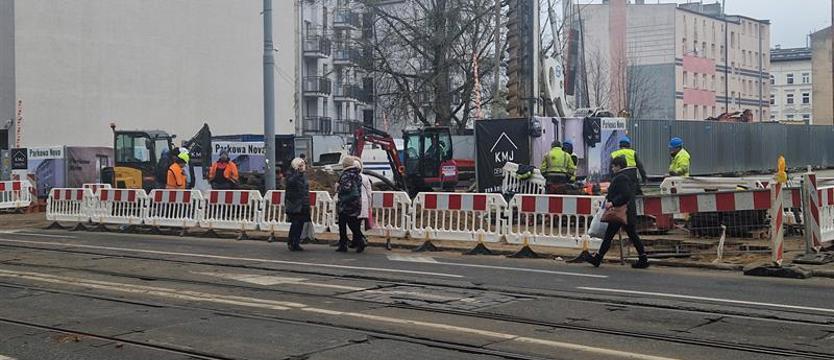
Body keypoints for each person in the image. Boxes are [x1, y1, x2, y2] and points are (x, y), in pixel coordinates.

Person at [588, 156, 649, 269]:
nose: (612, 168)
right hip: (625, 211)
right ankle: (643, 258)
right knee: (629, 235)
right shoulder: (628, 176)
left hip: (620, 211)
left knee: (612, 236)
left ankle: (598, 258)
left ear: (618, 166)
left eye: (613, 166)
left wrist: (613, 203)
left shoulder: (621, 178)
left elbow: (625, 194)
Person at [336, 156, 366, 253]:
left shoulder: (346, 175)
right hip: (356, 202)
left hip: (346, 203)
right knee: (353, 223)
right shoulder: (358, 175)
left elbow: (346, 188)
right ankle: (359, 240)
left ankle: (344, 244)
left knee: (343, 223)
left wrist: (338, 188)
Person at [284, 158, 309, 252]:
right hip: (294, 203)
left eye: (303, 165)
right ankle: (292, 242)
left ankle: (296, 242)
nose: (303, 167)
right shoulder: (291, 175)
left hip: (303, 203)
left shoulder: (303, 176)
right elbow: (291, 183)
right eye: (300, 165)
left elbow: (305, 190)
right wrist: (297, 173)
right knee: (295, 223)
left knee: (300, 223)